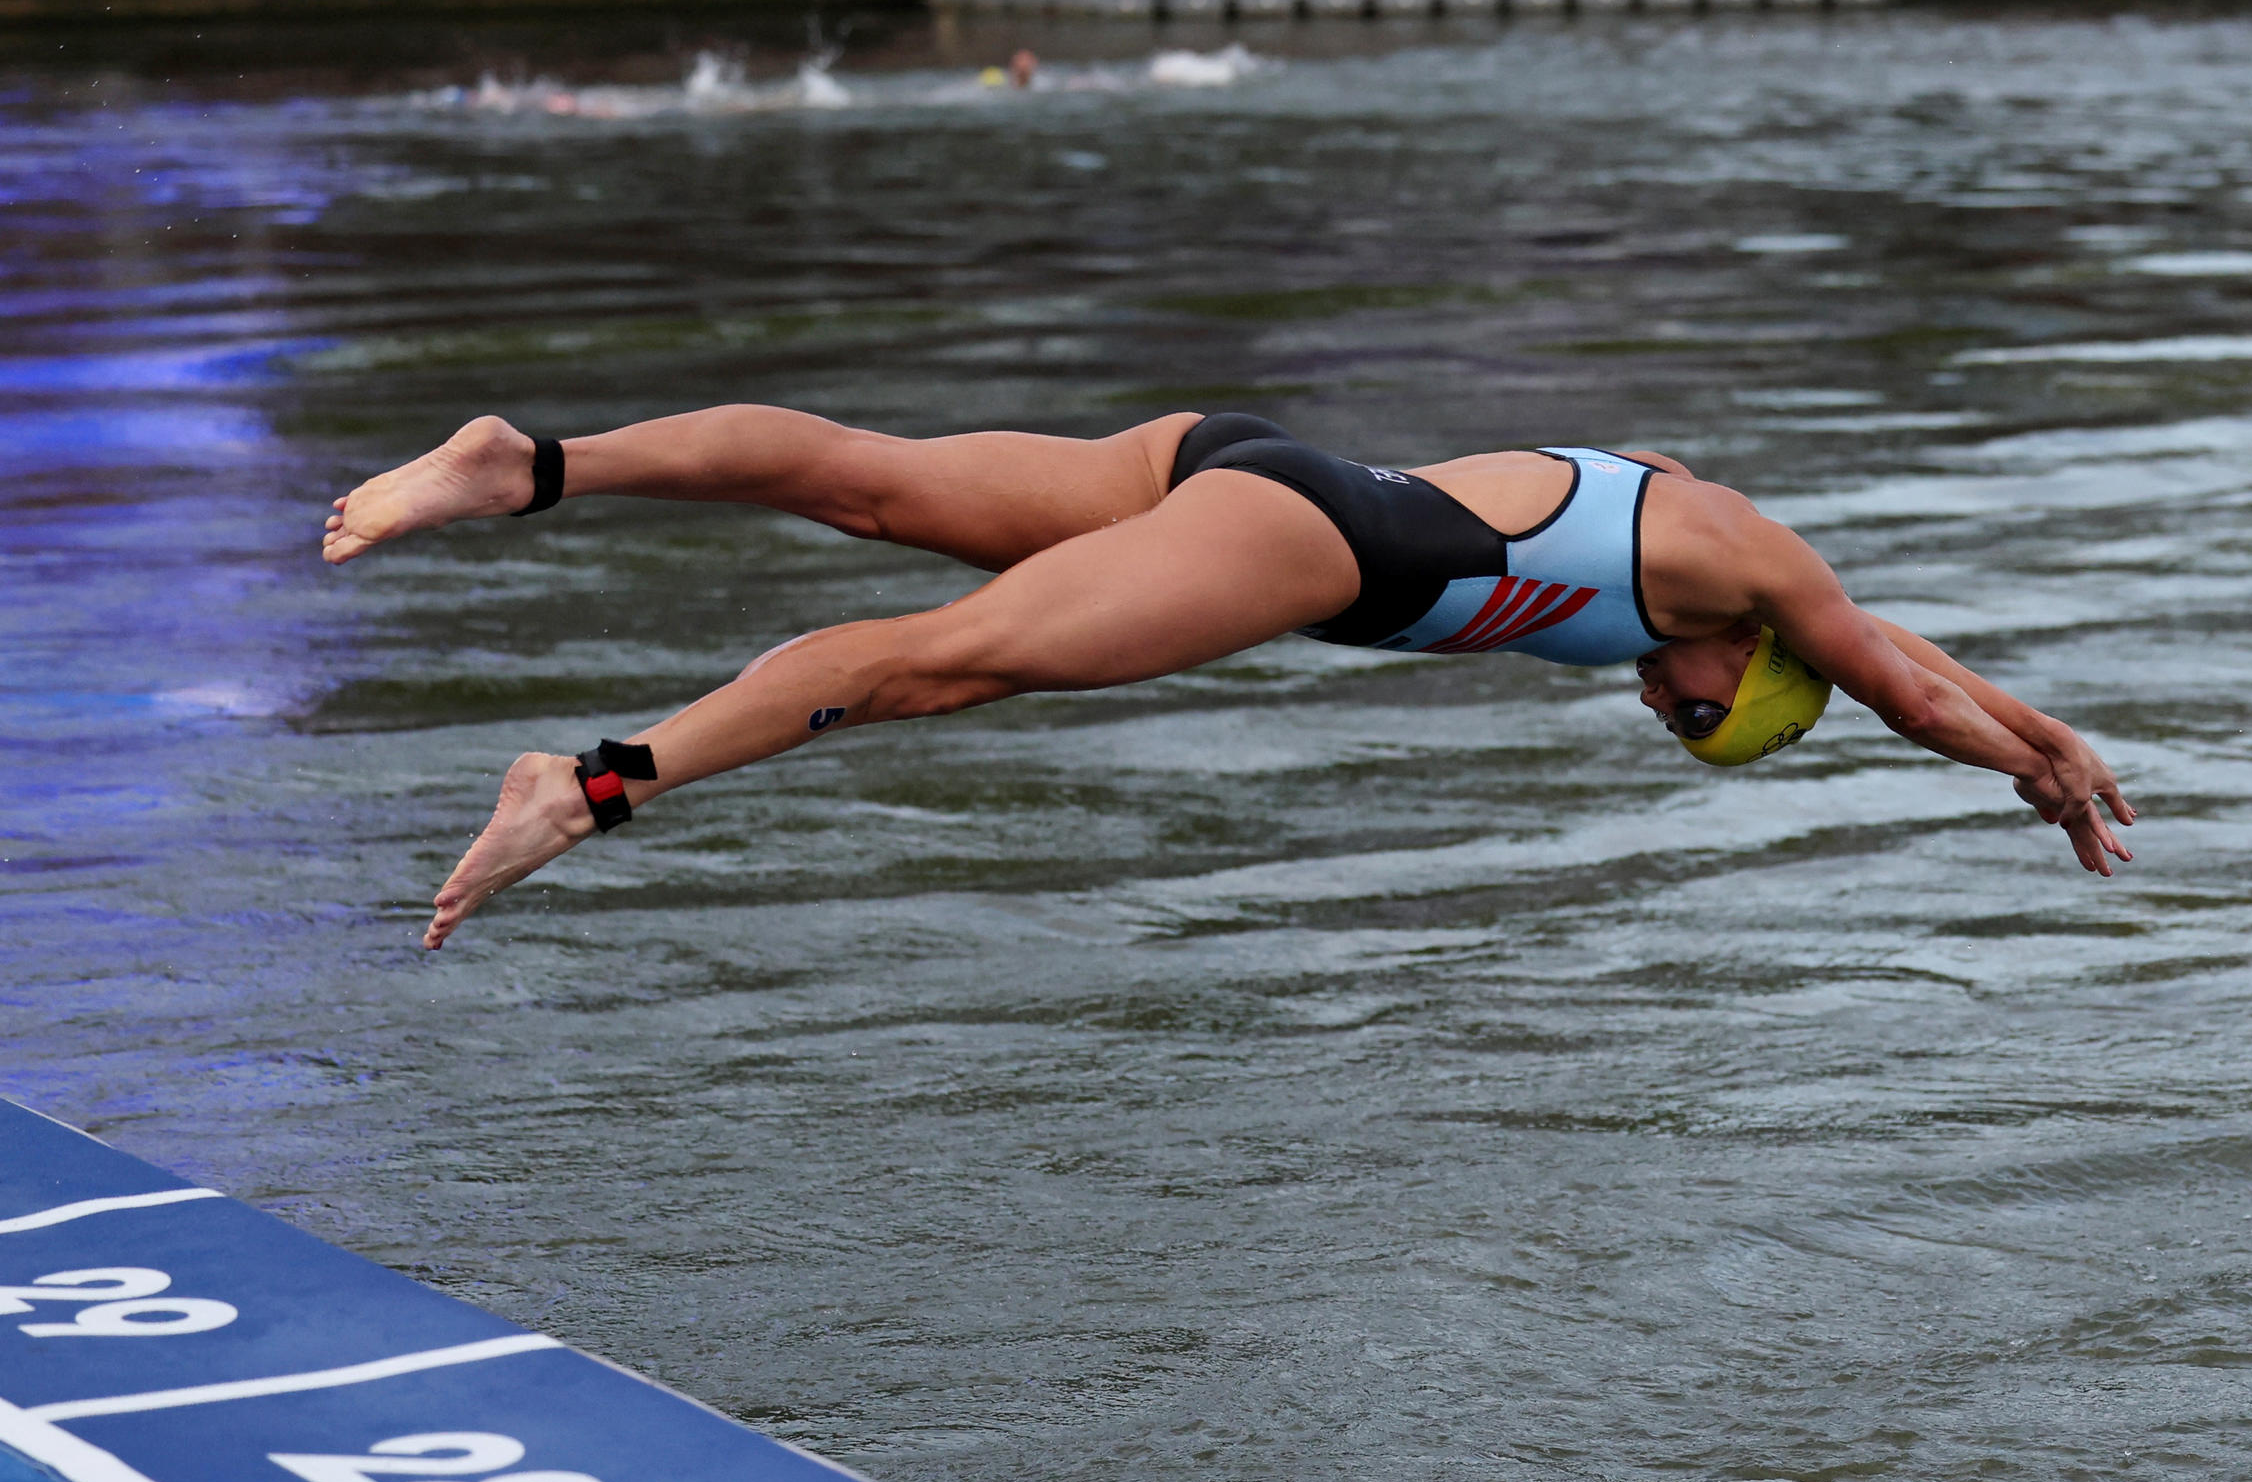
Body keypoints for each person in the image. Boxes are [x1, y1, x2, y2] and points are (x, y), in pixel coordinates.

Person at [325, 408, 2136, 948]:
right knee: (933, 670)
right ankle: (592, 785)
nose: (1656, 710)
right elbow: (1889, 679)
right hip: (1308, 548)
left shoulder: (1754, 595)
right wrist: (2021, 776)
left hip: (1230, 465)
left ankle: (527, 465)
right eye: (1692, 712)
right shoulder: (1735, 555)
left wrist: (2047, 730)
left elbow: (1891, 650)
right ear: (1743, 663)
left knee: (866, 490)